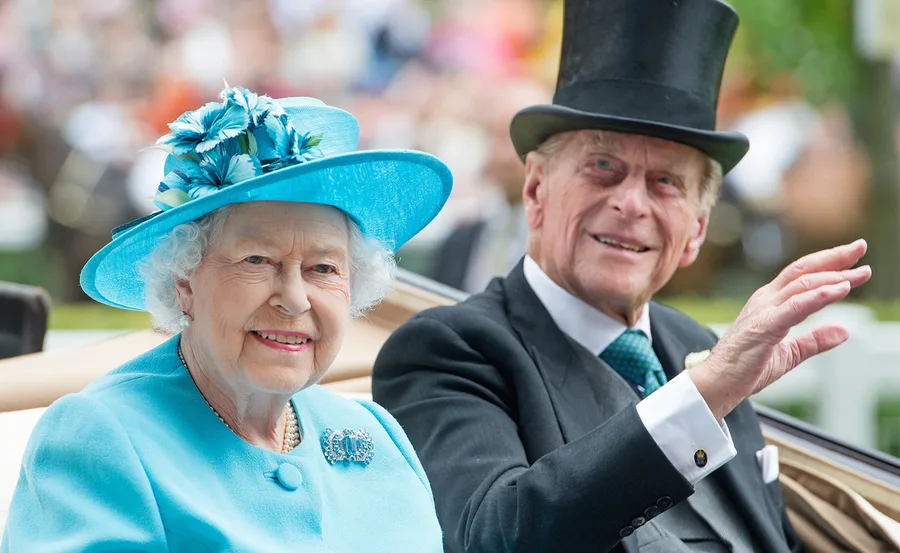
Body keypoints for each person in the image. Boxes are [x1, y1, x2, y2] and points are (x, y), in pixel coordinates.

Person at [371, 1, 871, 552]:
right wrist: (702, 396)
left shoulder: (700, 348)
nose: (631, 203)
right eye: (602, 167)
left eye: (665, 182)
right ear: (535, 190)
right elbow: (490, 539)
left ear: (697, 228)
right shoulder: (449, 350)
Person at [1, 85, 452, 551]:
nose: (295, 299)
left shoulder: (377, 431)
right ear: (184, 281)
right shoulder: (98, 436)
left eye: (323, 269)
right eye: (256, 260)